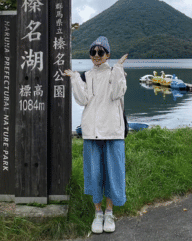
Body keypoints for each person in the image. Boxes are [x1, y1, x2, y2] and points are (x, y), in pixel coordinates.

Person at [63, 36, 128, 234]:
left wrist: (117, 68)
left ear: (107, 54)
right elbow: (82, 100)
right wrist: (75, 77)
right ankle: (97, 212)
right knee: (94, 174)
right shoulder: (87, 75)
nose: (96, 56)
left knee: (112, 173)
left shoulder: (116, 72)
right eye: (93, 52)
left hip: (113, 132)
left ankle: (109, 212)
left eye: (101, 52)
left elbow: (118, 92)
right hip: (92, 132)